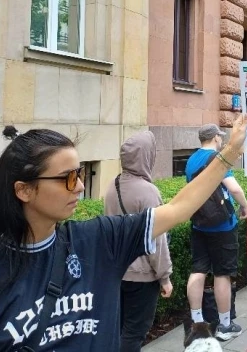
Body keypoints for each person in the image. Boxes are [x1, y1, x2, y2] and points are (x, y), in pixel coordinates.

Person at [0, 115, 247, 351]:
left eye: (80, 174)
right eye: (67, 178)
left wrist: (230, 153)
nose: (80, 186)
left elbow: (180, 207)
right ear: (24, 190)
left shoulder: (99, 241)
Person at [104, 131, 173, 352]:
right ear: (146, 156)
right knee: (134, 332)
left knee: (118, 329)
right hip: (142, 276)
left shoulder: (112, 186)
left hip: (116, 271)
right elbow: (156, 240)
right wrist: (165, 277)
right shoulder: (148, 192)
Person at [185, 124, 247, 341]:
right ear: (214, 138)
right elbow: (234, 188)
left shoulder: (192, 159)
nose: (222, 140)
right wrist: (244, 206)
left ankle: (196, 322)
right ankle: (224, 325)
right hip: (222, 226)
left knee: (199, 269)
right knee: (222, 274)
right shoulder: (216, 158)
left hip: (199, 223)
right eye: (220, 137)